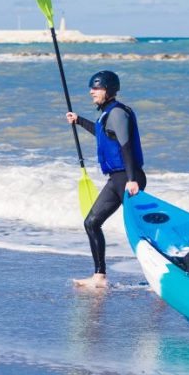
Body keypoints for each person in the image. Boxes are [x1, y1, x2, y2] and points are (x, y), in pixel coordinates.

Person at [66, 70, 146, 288]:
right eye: (91, 88)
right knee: (92, 222)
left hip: (127, 178)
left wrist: (131, 179)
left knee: (141, 230)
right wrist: (79, 120)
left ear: (109, 90)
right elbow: (102, 133)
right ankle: (99, 277)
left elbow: (126, 146)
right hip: (118, 178)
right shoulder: (107, 113)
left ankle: (167, 270)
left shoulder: (118, 113)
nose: (92, 92)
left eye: (97, 88)